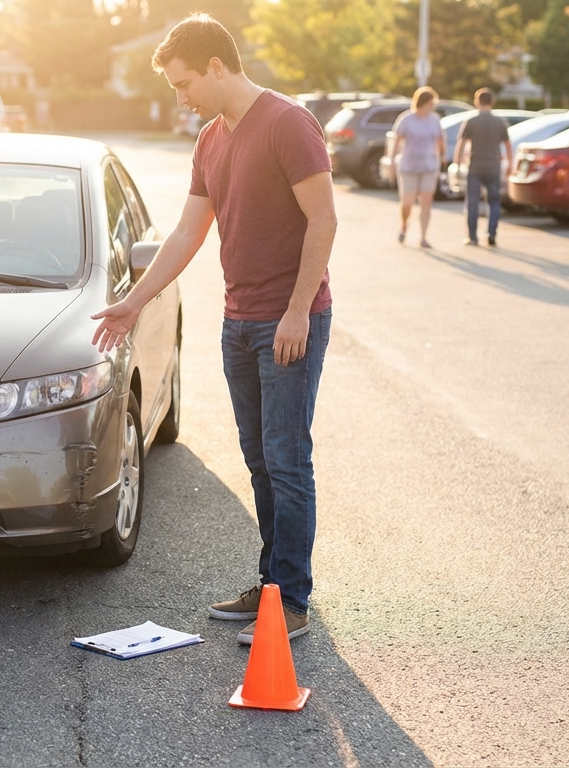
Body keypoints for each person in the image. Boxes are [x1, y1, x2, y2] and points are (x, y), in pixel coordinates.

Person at [92, 14, 337, 645]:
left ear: (218, 67)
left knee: (287, 459)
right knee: (258, 459)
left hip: (290, 321)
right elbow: (186, 234)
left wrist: (296, 310)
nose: (180, 96)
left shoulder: (288, 123)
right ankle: (272, 584)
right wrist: (134, 302)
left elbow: (324, 221)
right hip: (238, 321)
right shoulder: (210, 140)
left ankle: (293, 600)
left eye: (183, 83)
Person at [455, 88, 512, 246]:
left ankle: (472, 237)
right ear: (492, 102)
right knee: (494, 202)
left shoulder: (471, 121)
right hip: (494, 166)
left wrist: (457, 164)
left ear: (477, 101)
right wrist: (510, 164)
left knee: (472, 202)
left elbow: (461, 144)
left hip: (475, 166)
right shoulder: (499, 122)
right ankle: (491, 233)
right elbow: (507, 145)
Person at [390, 86, 445, 249]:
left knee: (426, 203)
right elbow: (396, 141)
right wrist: (392, 161)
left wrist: (442, 158)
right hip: (408, 166)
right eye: (431, 102)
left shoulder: (435, 120)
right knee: (407, 202)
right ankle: (404, 225)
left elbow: (440, 141)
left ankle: (423, 237)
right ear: (424, 102)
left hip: (429, 166)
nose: (433, 105)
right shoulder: (406, 119)